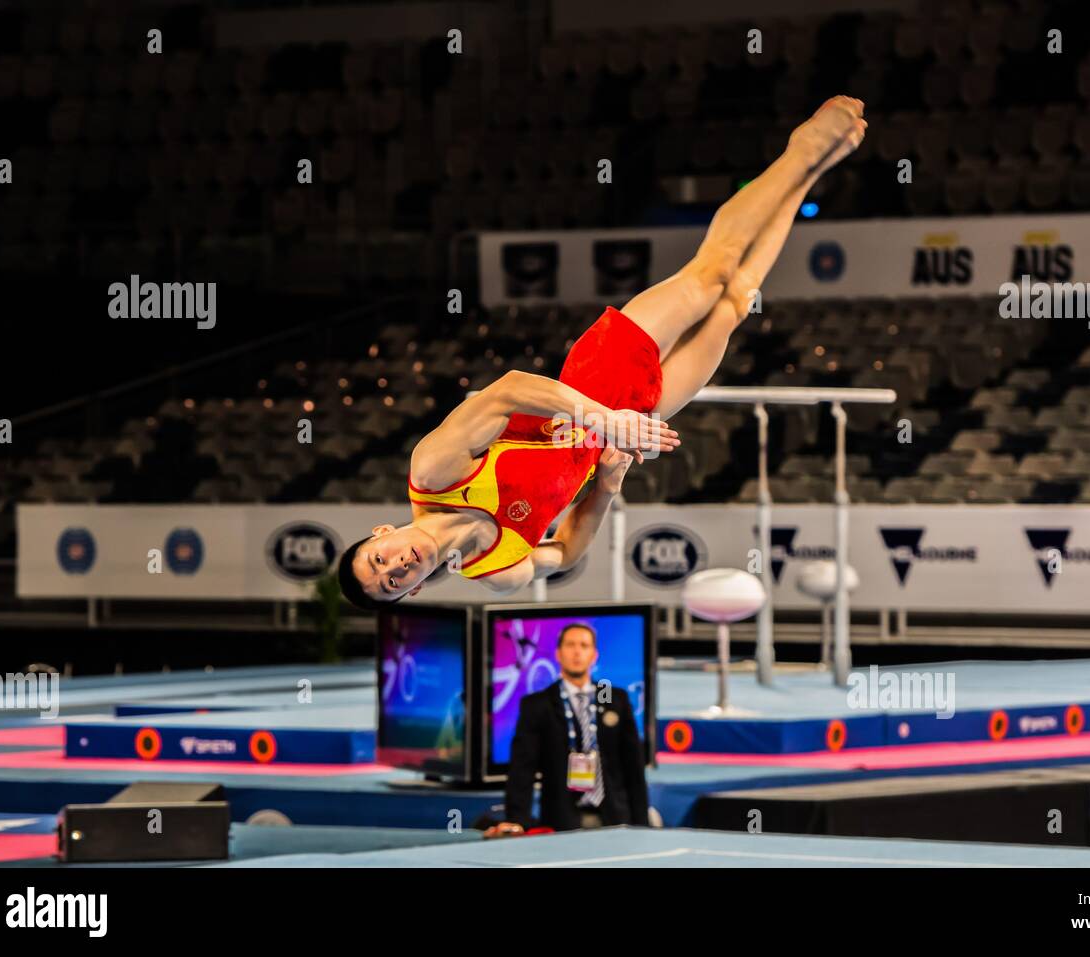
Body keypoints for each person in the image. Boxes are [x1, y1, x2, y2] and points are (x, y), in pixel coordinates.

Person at [337, 96, 868, 607]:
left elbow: (508, 389)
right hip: (633, 422)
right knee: (734, 303)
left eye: (377, 560)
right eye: (390, 583)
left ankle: (802, 149)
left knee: (711, 276)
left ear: (380, 533)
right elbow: (566, 551)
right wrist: (608, 484)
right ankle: (810, 175)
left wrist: (603, 419)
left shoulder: (434, 472)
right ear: (413, 592)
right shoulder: (497, 571)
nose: (394, 567)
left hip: (595, 380)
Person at [485, 622, 648, 835]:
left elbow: (633, 767)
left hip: (615, 817)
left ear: (594, 655)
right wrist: (517, 820)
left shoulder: (614, 698)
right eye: (570, 645)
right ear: (558, 654)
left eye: (584, 645)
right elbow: (522, 769)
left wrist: (642, 824)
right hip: (561, 819)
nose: (577, 651)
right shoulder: (537, 704)